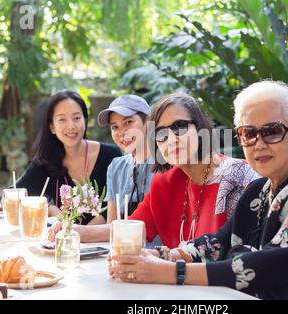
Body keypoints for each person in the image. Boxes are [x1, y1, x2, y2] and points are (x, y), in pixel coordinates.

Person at [108, 81, 288, 300]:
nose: (259, 143)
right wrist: (160, 254)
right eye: (248, 133)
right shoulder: (259, 190)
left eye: (272, 131)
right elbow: (219, 243)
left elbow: (264, 268)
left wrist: (169, 271)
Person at [48, 92, 258, 246]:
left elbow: (242, 259)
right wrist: (72, 230)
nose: (171, 139)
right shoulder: (163, 183)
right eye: (161, 132)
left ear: (200, 127)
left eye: (180, 127)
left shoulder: (239, 177)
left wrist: (165, 266)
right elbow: (129, 230)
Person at [17, 90, 121, 224]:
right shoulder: (45, 161)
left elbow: (119, 207)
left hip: (104, 242)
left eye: (77, 118)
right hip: (63, 242)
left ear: (85, 121)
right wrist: (49, 207)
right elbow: (13, 195)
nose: (71, 126)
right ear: (52, 127)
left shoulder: (111, 155)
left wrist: (82, 233)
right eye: (62, 119)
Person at [98, 95, 155, 222]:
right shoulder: (115, 166)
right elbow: (111, 227)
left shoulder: (167, 163)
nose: (121, 132)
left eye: (128, 122)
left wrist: (78, 231)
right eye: (115, 127)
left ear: (148, 121)